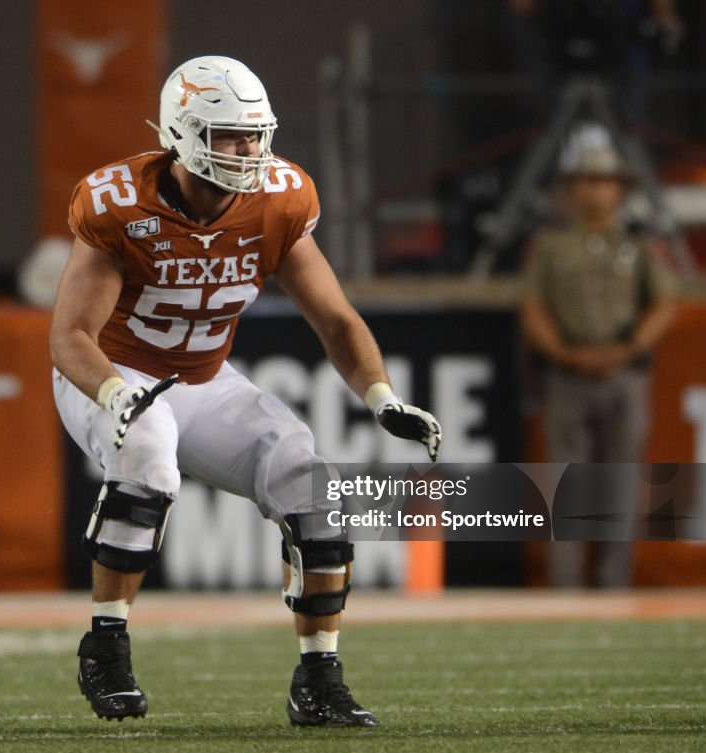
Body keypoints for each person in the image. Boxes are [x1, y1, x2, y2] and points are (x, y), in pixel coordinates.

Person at [50, 55, 442, 727]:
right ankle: (105, 645)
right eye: (230, 135)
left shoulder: (279, 200)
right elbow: (70, 337)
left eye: (256, 134)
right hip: (114, 372)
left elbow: (336, 319)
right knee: (147, 453)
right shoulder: (120, 204)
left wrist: (381, 396)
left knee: (312, 483)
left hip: (205, 379)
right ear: (182, 133)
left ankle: (318, 679)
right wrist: (115, 396)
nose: (249, 149)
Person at [521, 142, 675, 588]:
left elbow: (664, 303)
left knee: (621, 480)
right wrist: (567, 353)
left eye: (604, 181)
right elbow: (533, 308)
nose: (595, 191)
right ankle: (564, 583)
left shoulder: (636, 244)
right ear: (570, 191)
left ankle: (614, 582)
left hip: (624, 371)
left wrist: (627, 347)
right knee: (566, 483)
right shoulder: (550, 247)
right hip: (567, 372)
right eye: (586, 181)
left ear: (619, 190)